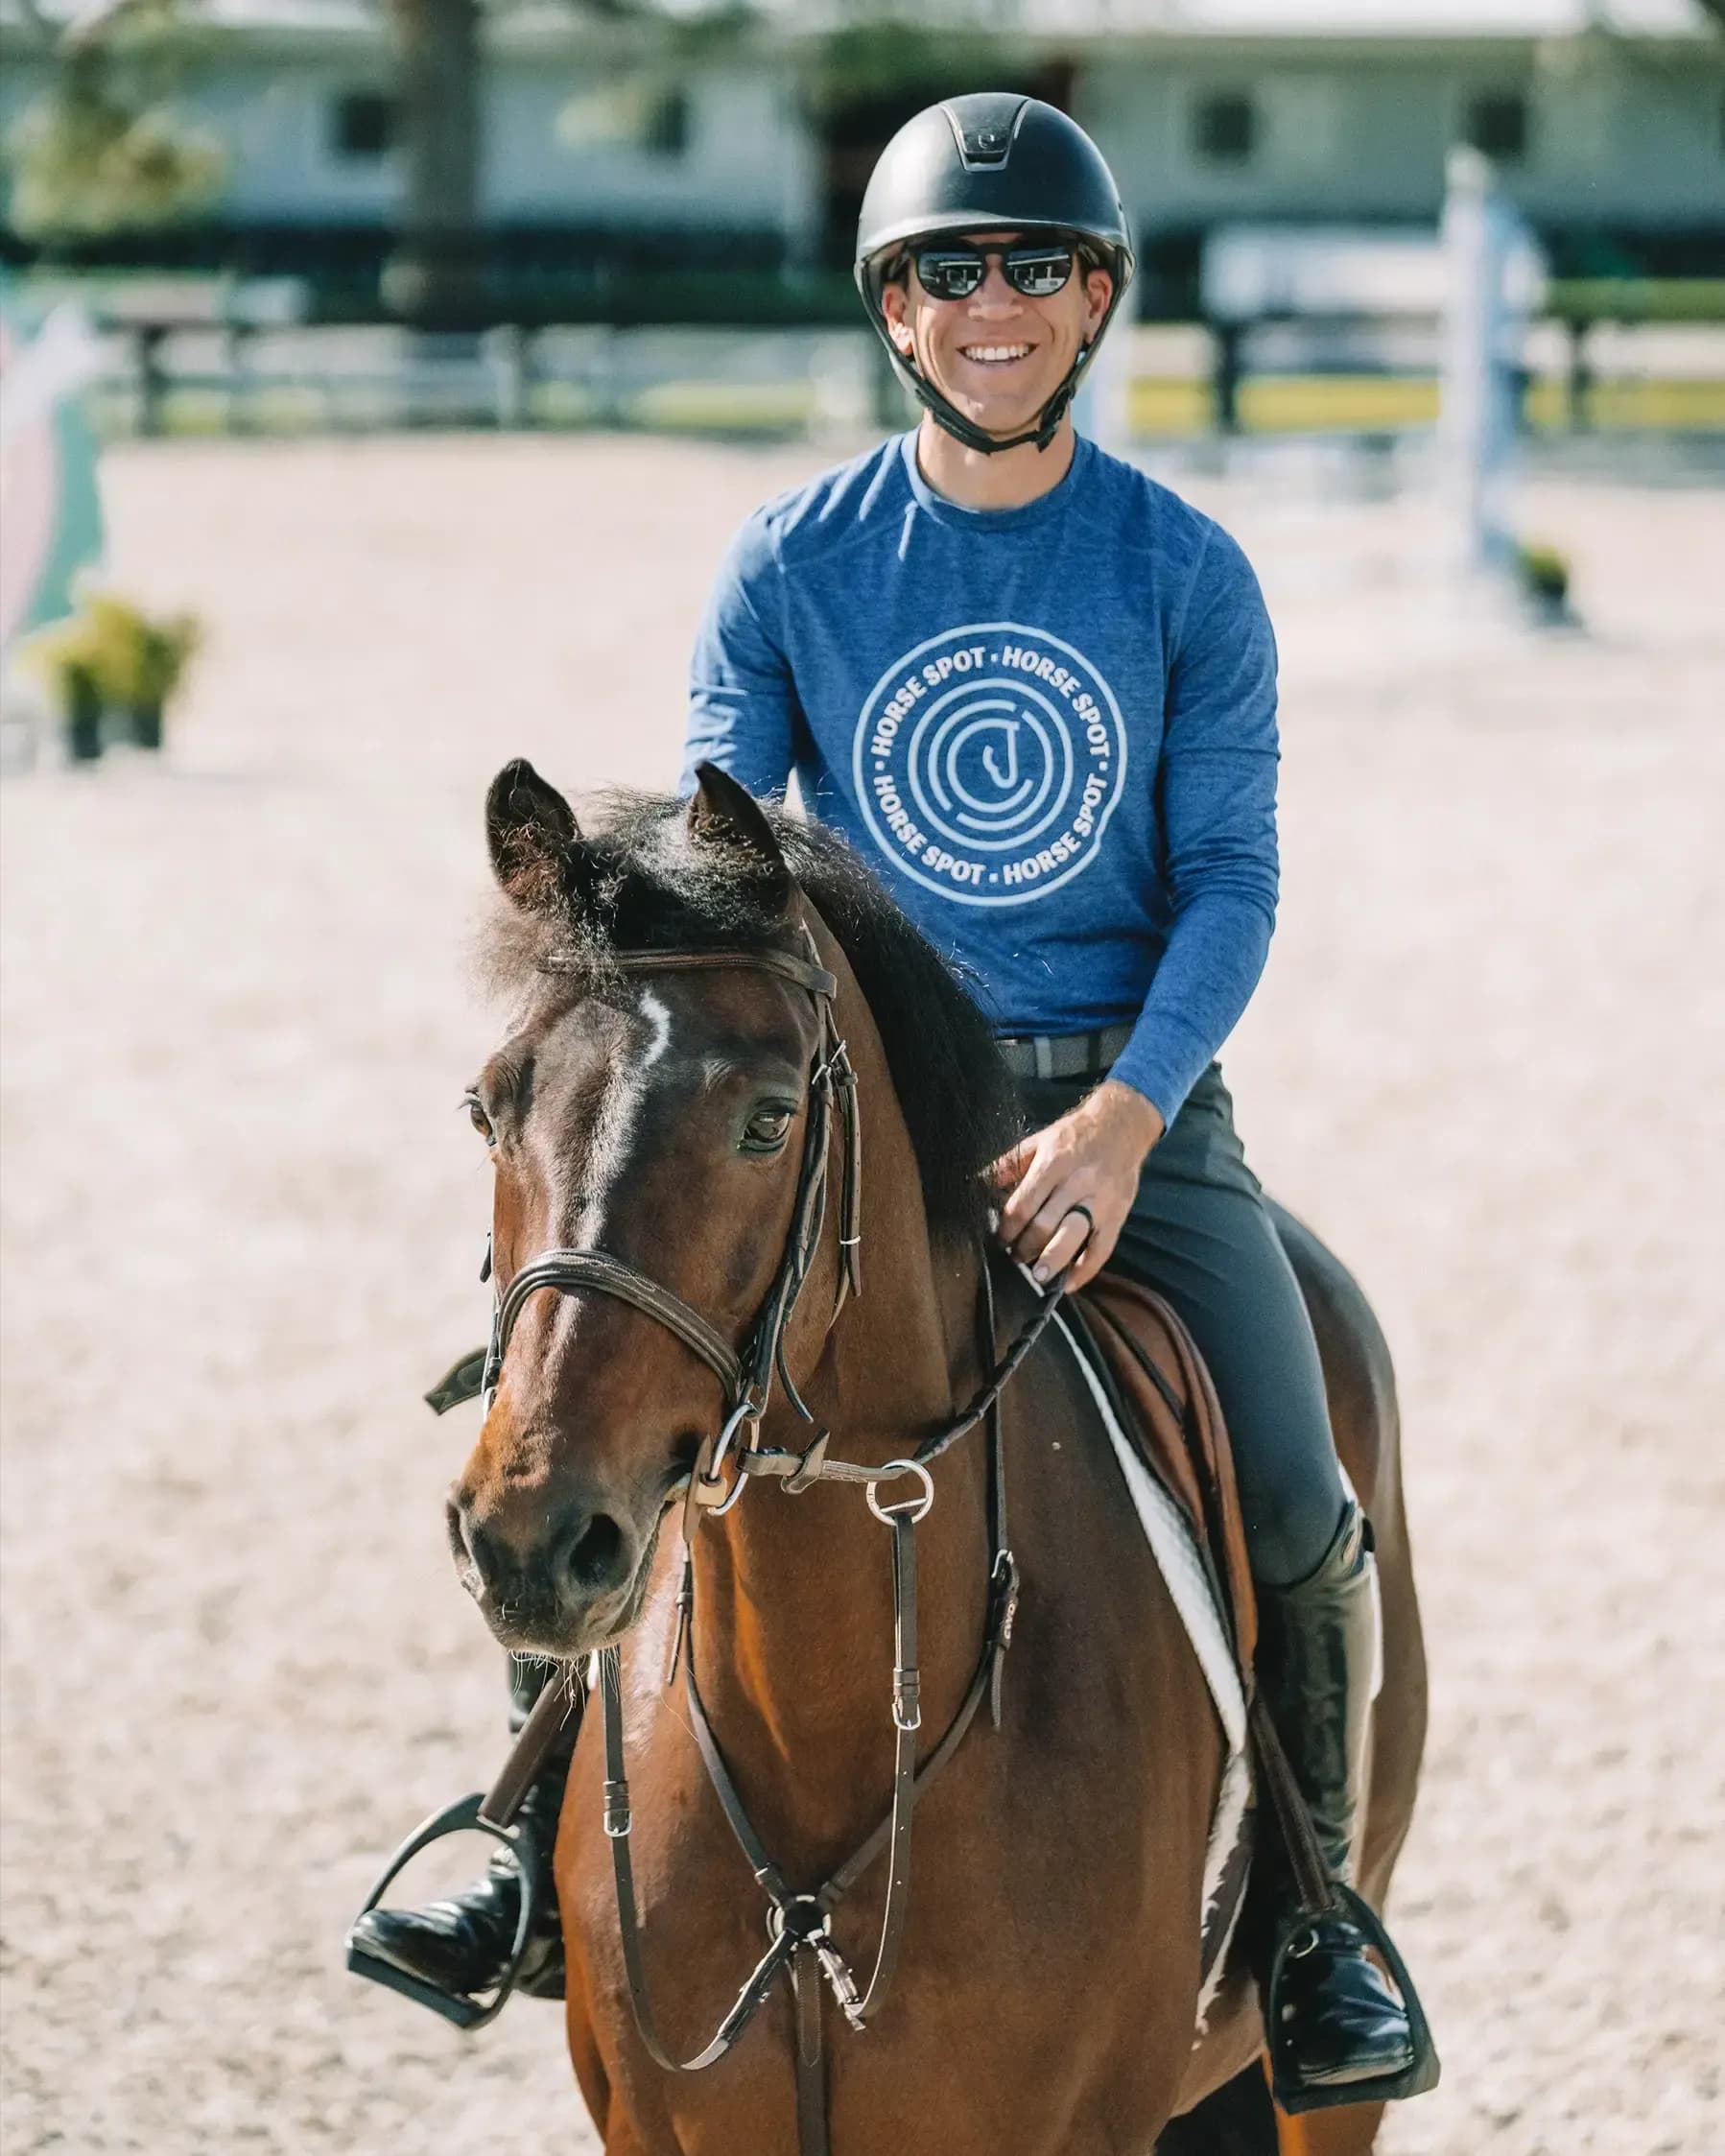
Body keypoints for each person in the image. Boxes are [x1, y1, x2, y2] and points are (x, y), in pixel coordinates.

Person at [351, 93, 1428, 2110]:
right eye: (951, 270)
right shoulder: (794, 557)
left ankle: (1307, 1921)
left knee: (1296, 1481)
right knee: (595, 1381)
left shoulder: (1182, 570)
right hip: (854, 1106)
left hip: (1128, 1109)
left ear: (1094, 299)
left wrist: (1122, 1116)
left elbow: (1232, 880)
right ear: (894, 311)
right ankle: (522, 1828)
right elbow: (704, 854)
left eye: (1033, 267)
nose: (992, 300)